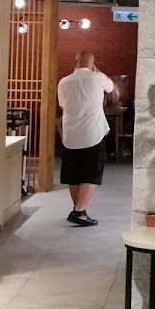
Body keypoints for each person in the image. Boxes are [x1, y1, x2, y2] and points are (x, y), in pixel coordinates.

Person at [57, 50, 114, 226]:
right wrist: (96, 70)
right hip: (92, 134)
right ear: (92, 63)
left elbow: (62, 104)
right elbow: (110, 88)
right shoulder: (97, 77)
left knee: (74, 174)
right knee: (91, 174)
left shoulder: (63, 82)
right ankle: (79, 211)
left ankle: (79, 211)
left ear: (75, 62)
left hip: (70, 134)